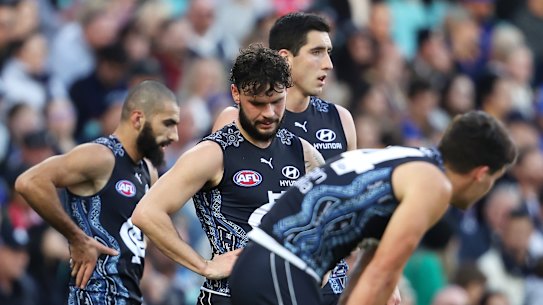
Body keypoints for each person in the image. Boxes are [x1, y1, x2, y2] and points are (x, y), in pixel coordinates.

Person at [228, 111, 517, 305]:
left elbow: (370, 265)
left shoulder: (405, 158)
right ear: (481, 173)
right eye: (495, 179)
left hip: (261, 264)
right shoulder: (434, 185)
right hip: (283, 268)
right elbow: (382, 273)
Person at [132, 44, 325, 305]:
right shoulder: (213, 153)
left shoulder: (303, 152)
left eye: (276, 102)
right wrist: (203, 266)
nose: (268, 113)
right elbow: (147, 213)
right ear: (236, 93)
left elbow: (326, 221)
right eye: (257, 103)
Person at [212, 12, 357, 303]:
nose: (328, 63)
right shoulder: (236, 120)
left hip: (326, 284)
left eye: (328, 52)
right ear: (285, 58)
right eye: (316, 52)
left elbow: (351, 208)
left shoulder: (340, 119)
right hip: (257, 282)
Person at [15, 80, 180, 305]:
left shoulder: (148, 171)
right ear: (138, 119)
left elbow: (140, 239)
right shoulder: (100, 156)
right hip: (93, 297)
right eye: (168, 124)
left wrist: (204, 266)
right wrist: (76, 237)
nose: (175, 136)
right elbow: (29, 182)